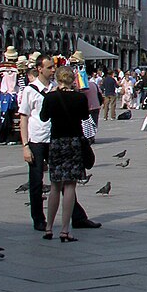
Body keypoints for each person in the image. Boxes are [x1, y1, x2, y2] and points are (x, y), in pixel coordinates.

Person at [17, 55, 98, 233]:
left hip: (55, 139)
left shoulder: (57, 90)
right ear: (39, 69)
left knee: (65, 180)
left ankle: (77, 217)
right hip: (37, 139)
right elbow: (23, 118)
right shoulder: (30, 90)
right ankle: (39, 219)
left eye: (53, 68)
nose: (52, 70)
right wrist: (25, 146)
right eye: (49, 68)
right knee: (37, 181)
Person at [39, 65, 90, 242]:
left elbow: (43, 117)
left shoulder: (51, 97)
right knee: (70, 186)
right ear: (72, 79)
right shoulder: (79, 98)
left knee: (54, 185)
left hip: (56, 142)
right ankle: (65, 230)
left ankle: (48, 228)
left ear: (58, 79)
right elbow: (85, 117)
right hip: (73, 142)